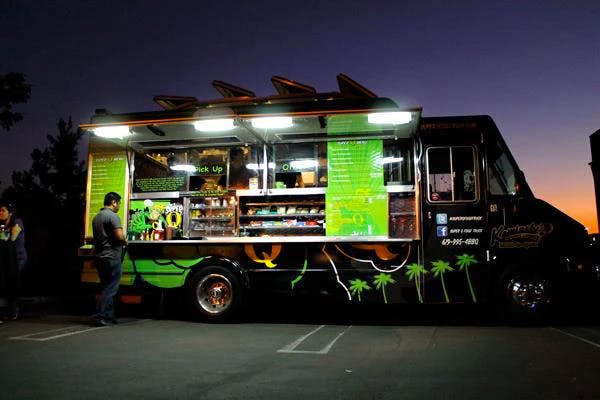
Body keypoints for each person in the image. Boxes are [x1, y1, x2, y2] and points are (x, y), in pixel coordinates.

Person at [91, 192, 127, 326]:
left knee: (106, 286)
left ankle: (109, 317)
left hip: (100, 257)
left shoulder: (97, 217)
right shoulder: (113, 216)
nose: (119, 206)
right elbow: (119, 236)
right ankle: (99, 316)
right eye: (119, 203)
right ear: (114, 203)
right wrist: (125, 241)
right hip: (112, 256)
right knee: (111, 288)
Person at [0, 201, 26, 321]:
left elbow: (11, 239)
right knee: (7, 283)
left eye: (3, 210)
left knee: (13, 281)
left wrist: (4, 234)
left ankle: (14, 309)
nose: (0, 213)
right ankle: (8, 309)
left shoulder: (17, 222)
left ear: (10, 213)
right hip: (8, 259)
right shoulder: (2, 225)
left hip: (18, 257)